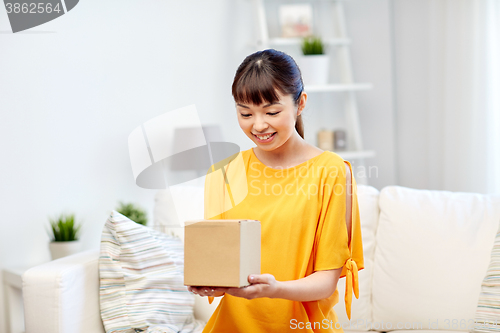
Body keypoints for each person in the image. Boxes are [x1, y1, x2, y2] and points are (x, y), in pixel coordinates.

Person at [187, 49, 364, 332]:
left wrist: (274, 289)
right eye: (245, 113)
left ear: (300, 103)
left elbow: (326, 281)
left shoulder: (331, 171)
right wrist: (209, 282)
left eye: (272, 112)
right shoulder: (222, 174)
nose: (258, 125)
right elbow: (223, 275)